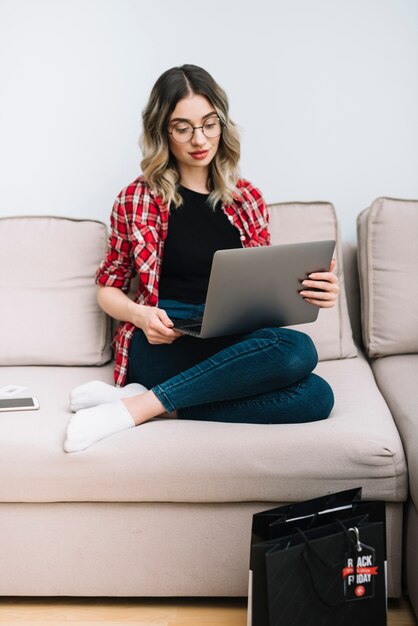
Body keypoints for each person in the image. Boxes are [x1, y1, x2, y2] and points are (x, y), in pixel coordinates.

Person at [64, 64, 339, 453]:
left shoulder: (248, 199)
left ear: (222, 124)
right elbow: (108, 289)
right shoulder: (136, 198)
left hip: (230, 339)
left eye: (209, 124)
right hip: (163, 338)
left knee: (317, 396)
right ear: (162, 131)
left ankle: (148, 405)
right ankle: (141, 403)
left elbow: (263, 288)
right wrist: (142, 315)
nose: (200, 138)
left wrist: (311, 291)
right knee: (299, 351)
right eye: (183, 127)